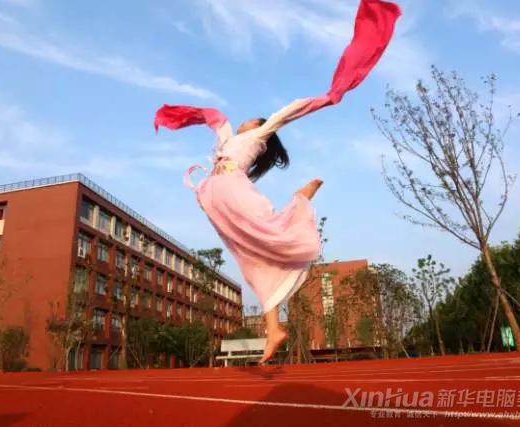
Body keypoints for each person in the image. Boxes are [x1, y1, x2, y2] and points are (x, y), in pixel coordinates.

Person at [154, 0, 401, 364]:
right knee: (250, 257)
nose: (244, 122)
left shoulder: (259, 135)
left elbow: (286, 113)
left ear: (257, 128)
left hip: (231, 189)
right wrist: (177, 115)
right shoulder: (229, 139)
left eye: (250, 121)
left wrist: (328, 98)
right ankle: (275, 328)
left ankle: (302, 197)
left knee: (265, 239)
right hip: (215, 197)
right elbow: (215, 118)